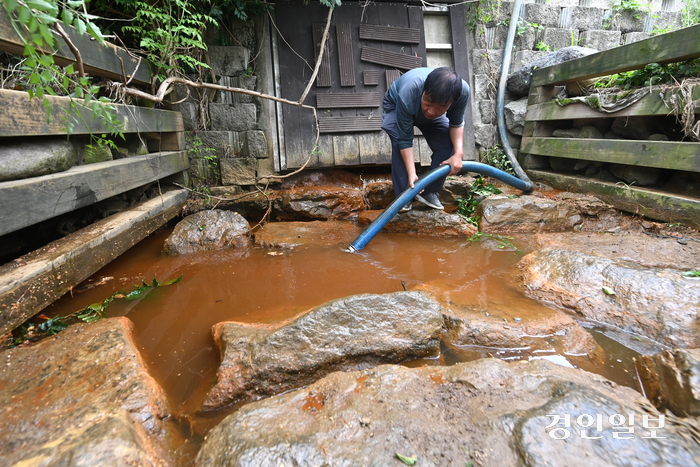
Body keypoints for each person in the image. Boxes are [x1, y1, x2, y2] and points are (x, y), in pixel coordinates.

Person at [381, 67, 470, 212]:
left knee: (447, 143)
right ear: (424, 90)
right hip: (397, 104)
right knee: (398, 142)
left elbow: (456, 123)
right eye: (428, 101)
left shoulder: (462, 91)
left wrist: (458, 154)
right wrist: (412, 173)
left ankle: (429, 192)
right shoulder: (410, 90)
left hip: (419, 103)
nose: (431, 111)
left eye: (440, 107)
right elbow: (405, 140)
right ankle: (405, 195)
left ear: (450, 102)